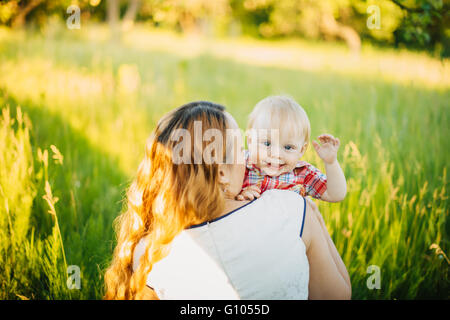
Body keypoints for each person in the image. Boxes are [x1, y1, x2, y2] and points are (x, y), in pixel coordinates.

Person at [103, 101, 351, 300]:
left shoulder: (147, 251)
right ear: (221, 172)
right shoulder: (292, 209)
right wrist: (312, 214)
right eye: (241, 150)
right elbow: (338, 295)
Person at [237, 95, 347, 203]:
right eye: (267, 143)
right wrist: (239, 196)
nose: (276, 154)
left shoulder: (303, 174)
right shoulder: (240, 166)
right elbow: (221, 194)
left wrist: (331, 163)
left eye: (288, 147)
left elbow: (335, 195)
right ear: (251, 141)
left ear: (302, 150)